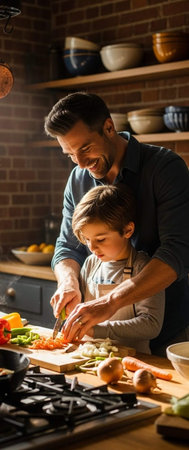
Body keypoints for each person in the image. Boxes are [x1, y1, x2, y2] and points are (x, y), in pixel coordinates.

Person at [44, 91, 189, 356]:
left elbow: (177, 252)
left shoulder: (165, 168)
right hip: (104, 342)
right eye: (70, 154)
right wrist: (68, 283)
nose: (80, 163)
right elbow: (67, 246)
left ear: (109, 127)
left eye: (85, 149)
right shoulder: (78, 179)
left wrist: (110, 302)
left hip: (169, 332)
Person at [71, 183, 164, 354]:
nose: (92, 248)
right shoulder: (91, 264)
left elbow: (151, 324)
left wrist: (96, 330)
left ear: (128, 230)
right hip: (90, 356)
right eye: (87, 239)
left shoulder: (144, 268)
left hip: (135, 359)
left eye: (101, 239)